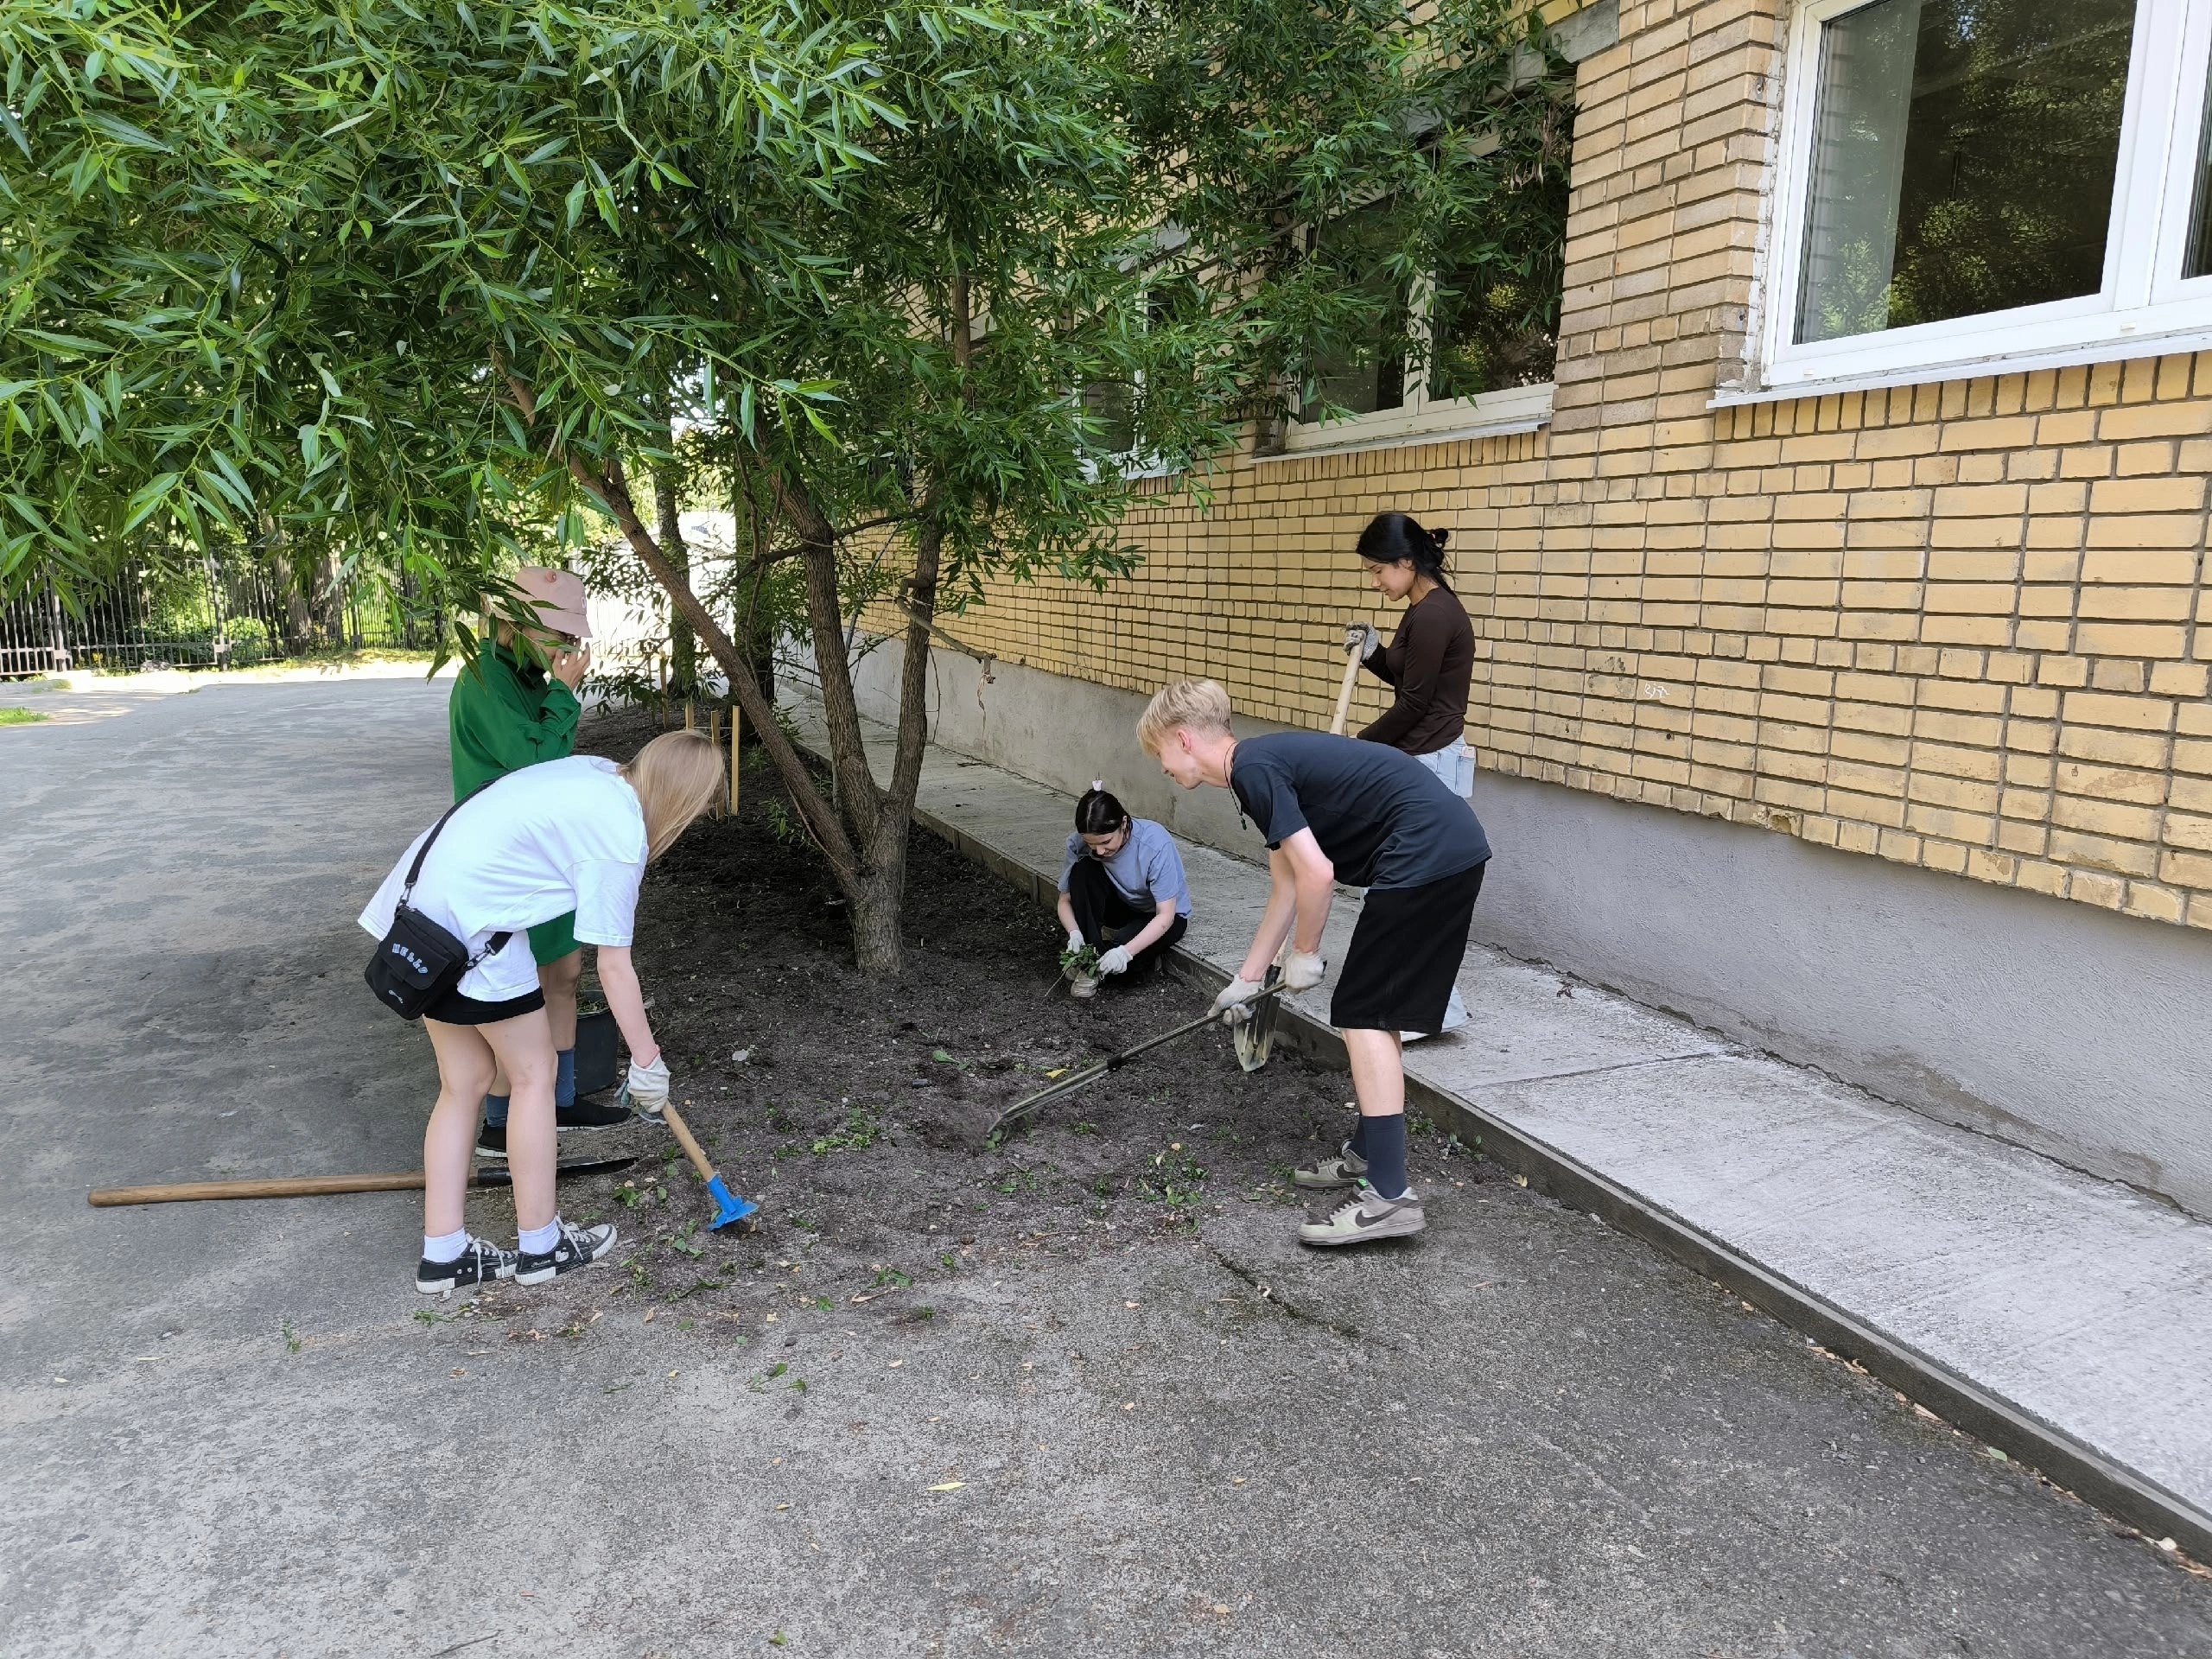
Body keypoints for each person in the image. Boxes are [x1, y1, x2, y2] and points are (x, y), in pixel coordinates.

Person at [359, 730, 726, 1293]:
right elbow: (614, 968)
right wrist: (648, 1061)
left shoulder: (598, 771)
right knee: (535, 1074)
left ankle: (445, 1254)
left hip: (418, 915)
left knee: (464, 1082)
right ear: (685, 801)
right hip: (470, 935)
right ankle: (541, 1245)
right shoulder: (620, 836)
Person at [1137, 680, 1491, 1247]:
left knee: (1363, 1015)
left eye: (1160, 754)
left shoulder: (1254, 769)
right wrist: (1247, 978)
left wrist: (1304, 953)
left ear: (1183, 740)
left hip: (1425, 855)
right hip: (1445, 849)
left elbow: (1319, 875)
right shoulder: (1259, 767)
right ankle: (1369, 1157)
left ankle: (1389, 1199)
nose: (1161, 767)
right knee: (1376, 1012)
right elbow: (1287, 885)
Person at [448, 565, 628, 1156]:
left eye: (572, 634)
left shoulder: (527, 676)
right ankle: (502, 1123)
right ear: (517, 624)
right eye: (559, 633)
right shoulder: (484, 681)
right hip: (506, 857)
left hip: (543, 847)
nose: (569, 644)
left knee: (565, 971)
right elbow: (538, 762)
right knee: (518, 986)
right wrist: (566, 694)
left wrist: (557, 690)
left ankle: (562, 1098)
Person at [1344, 512, 1477, 1038]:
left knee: (1413, 888)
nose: (1376, 582)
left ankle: (1424, 1011)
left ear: (1406, 562)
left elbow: (1416, 704)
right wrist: (1374, 652)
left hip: (1431, 761)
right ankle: (1427, 1009)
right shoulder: (1421, 609)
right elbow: (1408, 679)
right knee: (1404, 886)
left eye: (1378, 571)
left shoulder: (1436, 615)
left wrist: (1359, 747)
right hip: (1419, 756)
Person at [1055, 783, 1193, 999]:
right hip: (1123, 906)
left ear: (1124, 823)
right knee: (1082, 871)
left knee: (1125, 964)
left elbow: (1165, 915)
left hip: (1163, 915)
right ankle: (1090, 956)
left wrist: (1125, 952)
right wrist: (1074, 933)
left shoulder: (1154, 843)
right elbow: (1065, 900)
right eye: (1091, 844)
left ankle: (1117, 960)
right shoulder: (1078, 844)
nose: (1099, 851)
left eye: (1106, 842)